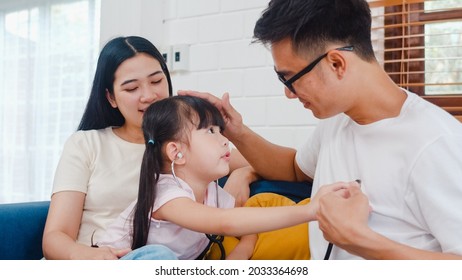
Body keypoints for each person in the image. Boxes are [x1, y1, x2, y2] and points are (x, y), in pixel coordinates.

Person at [179, 0, 462, 260]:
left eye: (289, 79)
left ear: (336, 63)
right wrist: (236, 131)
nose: (289, 94)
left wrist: (361, 241)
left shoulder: (434, 143)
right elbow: (293, 169)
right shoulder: (338, 120)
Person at [41, 36, 250, 260]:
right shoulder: (86, 144)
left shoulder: (187, 147)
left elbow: (264, 165)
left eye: (156, 81)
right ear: (110, 97)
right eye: (131, 88)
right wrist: (86, 256)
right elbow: (55, 237)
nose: (149, 96)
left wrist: (243, 175)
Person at [97, 95, 350, 260]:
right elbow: (226, 222)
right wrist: (312, 210)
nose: (224, 139)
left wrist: (245, 246)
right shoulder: (167, 193)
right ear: (177, 152)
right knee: (159, 256)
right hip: (119, 261)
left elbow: (243, 221)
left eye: (221, 130)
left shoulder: (212, 193)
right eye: (210, 131)